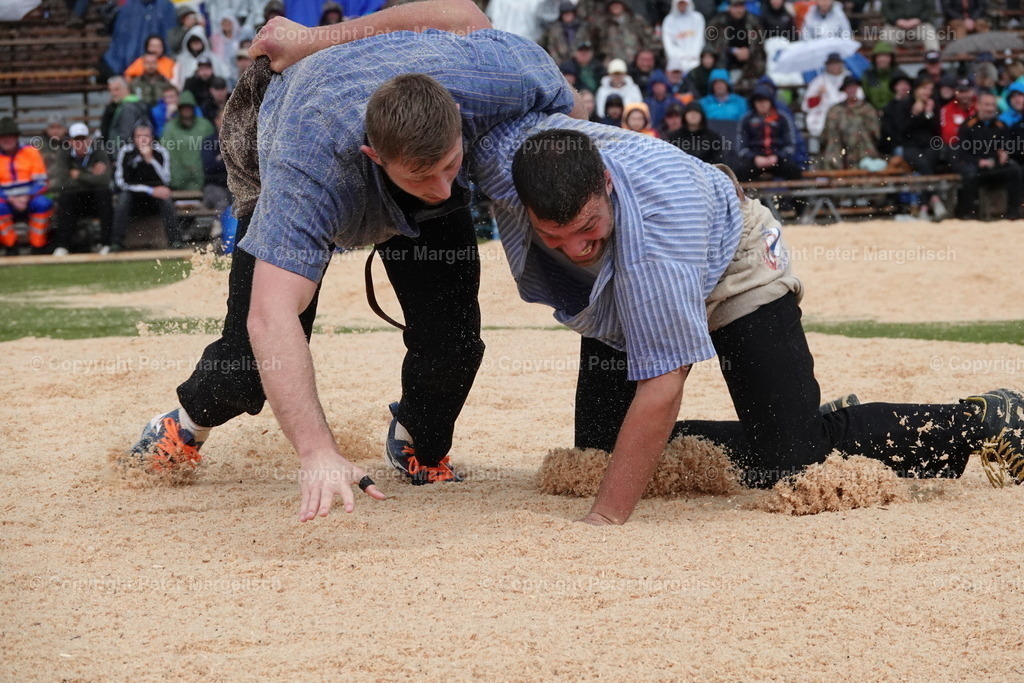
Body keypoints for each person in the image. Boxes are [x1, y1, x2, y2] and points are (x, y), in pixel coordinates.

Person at [127, 3, 583, 521]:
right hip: (291, 127)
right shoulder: (311, 166)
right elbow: (270, 316)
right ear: (375, 158)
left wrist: (314, 37)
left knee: (454, 342)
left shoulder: (500, 72)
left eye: (451, 166)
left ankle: (418, 439)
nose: (441, 190)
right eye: (420, 177)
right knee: (252, 361)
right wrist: (317, 451)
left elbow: (464, 12)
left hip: (383, 110)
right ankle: (183, 423)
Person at [470, 113, 1024, 525]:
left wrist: (606, 519)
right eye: (553, 236)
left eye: (588, 226)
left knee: (794, 461)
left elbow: (664, 384)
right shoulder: (503, 157)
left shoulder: (658, 244)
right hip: (626, 285)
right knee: (595, 453)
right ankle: (789, 415)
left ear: (607, 185)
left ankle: (984, 421)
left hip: (731, 260)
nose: (573, 248)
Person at [110, 123, 183, 252]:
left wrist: (150, 160)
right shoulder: (126, 152)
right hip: (134, 197)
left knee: (166, 198)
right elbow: (121, 183)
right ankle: (116, 242)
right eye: (139, 136)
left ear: (152, 137)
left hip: (154, 200)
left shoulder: (161, 152)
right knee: (123, 198)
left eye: (146, 136)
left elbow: (166, 180)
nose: (143, 140)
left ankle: (176, 240)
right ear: (133, 138)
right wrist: (149, 190)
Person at [952, 91, 1023, 220]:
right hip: (977, 168)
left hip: (996, 167)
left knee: (1015, 171)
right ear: (978, 106)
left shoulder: (1001, 126)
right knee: (969, 174)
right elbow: (961, 153)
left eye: (992, 105)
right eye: (986, 105)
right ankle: (969, 214)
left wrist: (1005, 153)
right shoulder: (967, 126)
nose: (990, 109)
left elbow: (1008, 147)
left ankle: (1013, 213)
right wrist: (978, 161)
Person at [52, 123, 114, 256]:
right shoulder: (64, 153)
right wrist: (91, 174)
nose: (80, 143)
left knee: (104, 194)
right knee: (66, 196)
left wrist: (79, 174)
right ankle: (63, 246)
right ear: (70, 142)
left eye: (83, 139)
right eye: (76, 140)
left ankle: (106, 243)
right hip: (75, 199)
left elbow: (105, 180)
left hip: (94, 199)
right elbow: (62, 182)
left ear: (89, 140)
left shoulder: (98, 151)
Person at [0, 117, 53, 253]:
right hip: (6, 200)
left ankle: (38, 245)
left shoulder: (30, 152)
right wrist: (10, 198)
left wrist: (27, 196)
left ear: (16, 137)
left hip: (30, 198)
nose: (7, 140)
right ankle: (11, 246)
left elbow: (41, 181)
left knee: (43, 203)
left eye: (10, 136)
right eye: (3, 137)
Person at [736, 84, 802, 180]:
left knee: (793, 170)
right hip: (754, 160)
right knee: (739, 172)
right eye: (758, 100)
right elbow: (741, 147)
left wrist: (777, 157)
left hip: (778, 159)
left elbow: (790, 145)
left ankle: (795, 195)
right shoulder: (746, 120)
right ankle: (742, 195)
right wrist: (754, 157)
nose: (762, 104)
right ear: (754, 103)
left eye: (765, 100)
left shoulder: (782, 118)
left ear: (771, 102)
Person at [101, 0, 177, 77]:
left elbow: (170, 35)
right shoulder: (128, 6)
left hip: (161, 69)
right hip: (131, 66)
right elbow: (121, 37)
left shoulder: (166, 6)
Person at [820, 75, 881, 170]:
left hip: (862, 148)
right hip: (839, 146)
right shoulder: (835, 110)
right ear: (844, 90)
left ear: (857, 88)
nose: (851, 90)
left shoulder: (867, 108)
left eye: (853, 87)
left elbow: (875, 132)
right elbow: (827, 133)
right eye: (849, 87)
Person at [161, 90, 216, 191]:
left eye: (189, 106)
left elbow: (213, 150)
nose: (186, 110)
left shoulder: (205, 125)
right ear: (179, 108)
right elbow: (166, 154)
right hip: (178, 179)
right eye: (183, 107)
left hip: (203, 178)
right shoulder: (170, 128)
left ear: (193, 108)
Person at [707, 0, 766, 91]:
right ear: (729, 7)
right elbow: (712, 44)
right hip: (725, 61)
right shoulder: (718, 22)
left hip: (749, 61)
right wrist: (733, 51)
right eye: (735, 7)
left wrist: (748, 52)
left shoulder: (754, 21)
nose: (739, 10)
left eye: (741, 6)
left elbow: (760, 44)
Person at [801, 52, 851, 148]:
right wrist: (819, 95)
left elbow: (856, 98)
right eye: (831, 64)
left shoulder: (848, 78)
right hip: (823, 117)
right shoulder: (818, 82)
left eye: (837, 63)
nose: (834, 66)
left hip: (845, 115)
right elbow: (807, 106)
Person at [591, 0, 658, 65]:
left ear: (624, 5)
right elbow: (596, 44)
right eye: (612, 4)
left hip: (635, 64)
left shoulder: (636, 21)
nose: (615, 6)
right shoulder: (603, 24)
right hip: (612, 64)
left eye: (618, 4)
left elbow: (650, 40)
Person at [99, 76, 151, 153]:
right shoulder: (120, 106)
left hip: (123, 153)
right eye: (110, 90)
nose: (113, 93)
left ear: (127, 90)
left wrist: (115, 153)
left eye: (116, 89)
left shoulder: (128, 108)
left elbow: (125, 135)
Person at [860, 42, 908, 111]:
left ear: (891, 58)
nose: (883, 59)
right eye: (880, 56)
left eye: (886, 56)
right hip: (874, 115)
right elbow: (865, 97)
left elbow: (907, 94)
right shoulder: (868, 75)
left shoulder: (899, 74)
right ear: (875, 58)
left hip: (897, 113)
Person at [541, 1, 590, 66]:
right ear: (561, 15)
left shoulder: (582, 29)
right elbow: (551, 47)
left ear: (574, 14)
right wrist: (558, 62)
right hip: (559, 62)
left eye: (569, 13)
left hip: (579, 62)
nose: (567, 16)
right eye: (565, 14)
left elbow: (587, 45)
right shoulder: (554, 29)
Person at [661, 0, 704, 72]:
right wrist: (678, 56)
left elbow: (699, 39)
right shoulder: (669, 20)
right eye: (680, 3)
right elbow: (668, 43)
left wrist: (693, 55)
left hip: (694, 58)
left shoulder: (698, 18)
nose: (682, 6)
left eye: (684, 3)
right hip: (676, 59)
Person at [201, 111, 231, 213]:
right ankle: (219, 227)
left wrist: (220, 158)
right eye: (223, 118)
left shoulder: (239, 142)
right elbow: (209, 167)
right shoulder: (208, 142)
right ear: (216, 121)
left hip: (233, 186)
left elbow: (242, 166)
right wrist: (228, 158)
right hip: (213, 185)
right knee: (221, 201)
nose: (225, 122)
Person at [940, 78, 976, 146]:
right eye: (961, 91)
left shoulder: (980, 106)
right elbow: (948, 136)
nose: (964, 95)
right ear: (955, 92)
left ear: (973, 91)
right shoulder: (947, 109)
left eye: (967, 91)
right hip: (957, 147)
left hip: (979, 146)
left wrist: (959, 129)